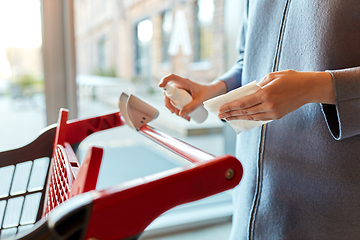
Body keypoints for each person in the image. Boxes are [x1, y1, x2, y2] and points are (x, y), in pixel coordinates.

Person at [159, 0, 360, 239]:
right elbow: (248, 58)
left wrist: (317, 87)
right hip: (251, 203)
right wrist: (215, 89)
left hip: (332, 208)